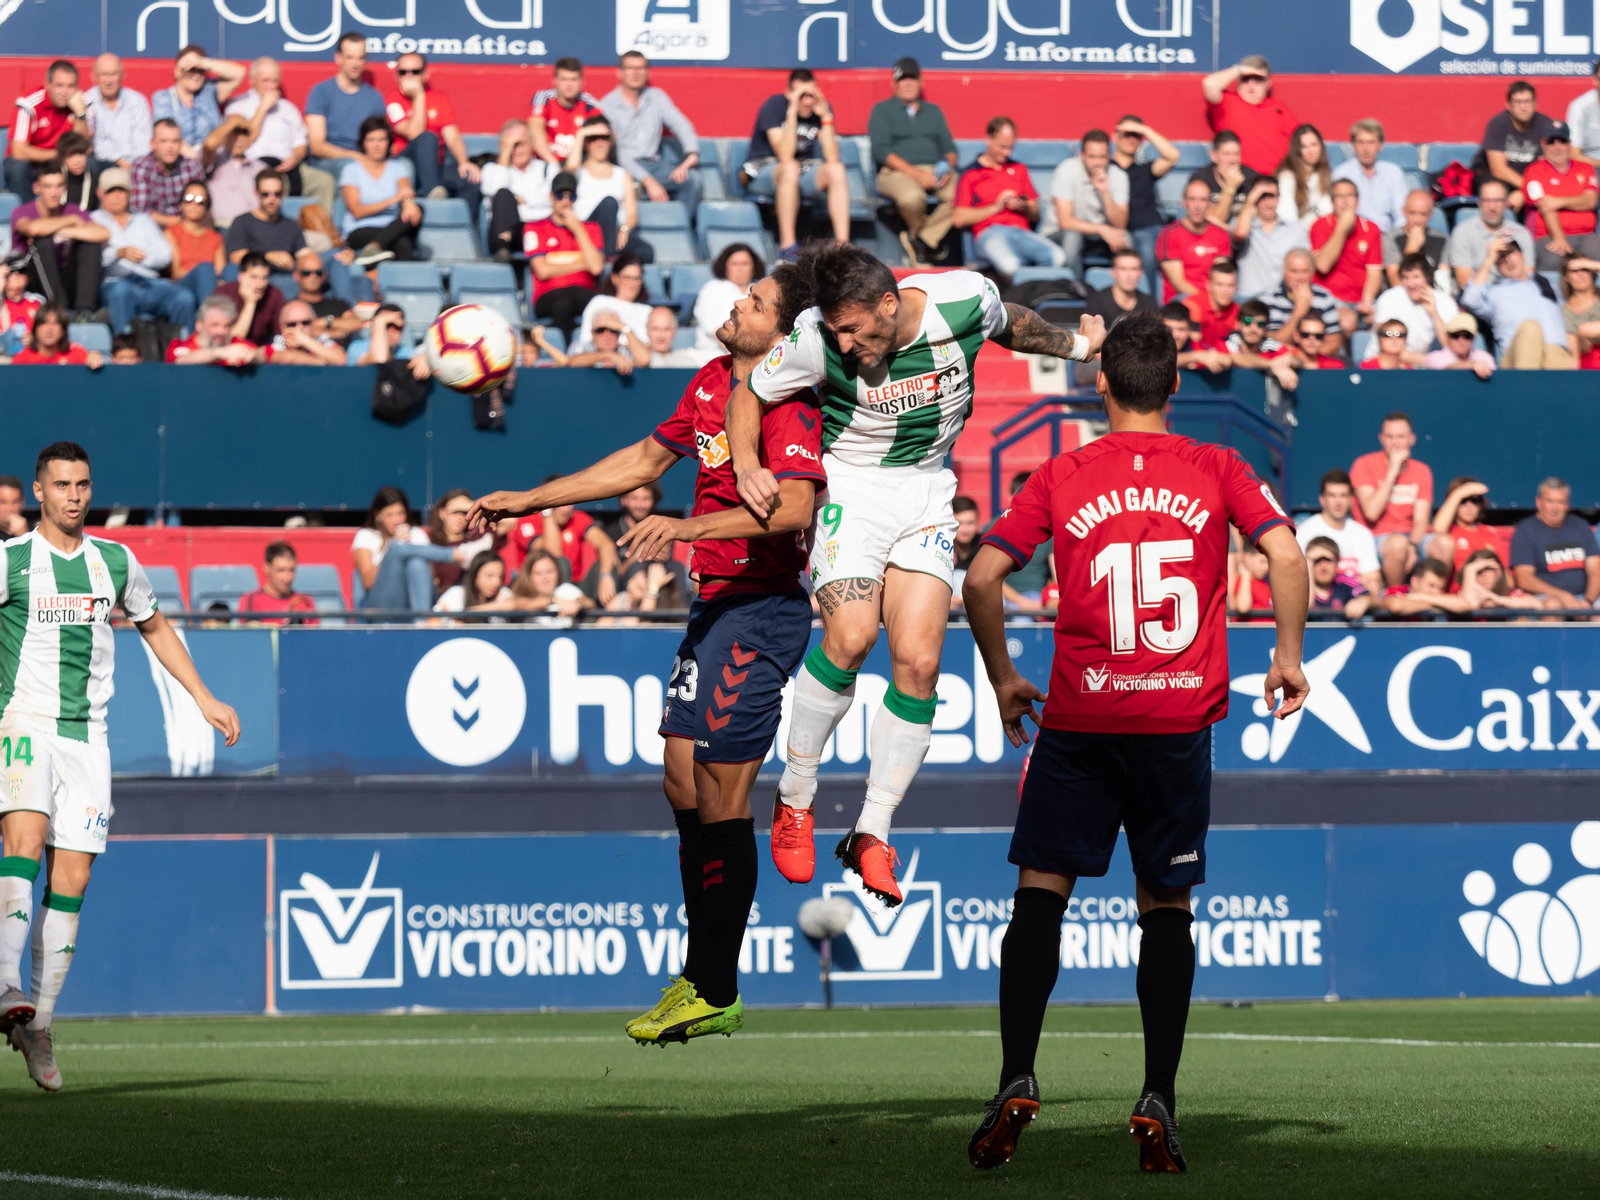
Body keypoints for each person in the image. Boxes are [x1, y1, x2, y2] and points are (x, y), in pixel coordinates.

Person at [961, 309, 1307, 1176]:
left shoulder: (1062, 471)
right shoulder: (1219, 465)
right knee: (1166, 908)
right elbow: (1288, 556)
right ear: (1177, 387)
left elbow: (983, 575)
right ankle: (1157, 1094)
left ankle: (1015, 1076)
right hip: (1176, 723)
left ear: (1102, 382)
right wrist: (1288, 657)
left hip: (1079, 720)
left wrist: (1005, 675)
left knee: (1040, 894)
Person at [467, 264, 821, 1047]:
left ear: (786, 330)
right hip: (714, 608)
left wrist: (690, 530)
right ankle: (699, 976)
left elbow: (796, 505)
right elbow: (640, 462)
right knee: (679, 778)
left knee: (725, 795)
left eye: (757, 302)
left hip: (762, 613)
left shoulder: (785, 402)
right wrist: (529, 498)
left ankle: (717, 986)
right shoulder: (708, 382)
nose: (738, 304)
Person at [727, 242, 1109, 903]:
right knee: (850, 639)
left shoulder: (961, 301)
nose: (843, 345)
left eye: (853, 329)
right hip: (851, 486)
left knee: (921, 663)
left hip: (928, 491)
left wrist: (1076, 347)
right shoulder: (817, 337)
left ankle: (872, 833)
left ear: (888, 303)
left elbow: (1011, 321)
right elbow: (748, 392)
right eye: (835, 331)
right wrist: (745, 465)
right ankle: (795, 800)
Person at [0, 441, 239, 1091]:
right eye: (61, 485)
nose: (74, 495)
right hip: (22, 724)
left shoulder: (115, 561)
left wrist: (204, 696)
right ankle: (4, 981)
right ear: (38, 495)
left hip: (89, 739)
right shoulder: (11, 561)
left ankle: (38, 1025)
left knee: (71, 880)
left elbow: (156, 627)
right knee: (22, 839)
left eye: (82, 484)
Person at [742, 69, 851, 257]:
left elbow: (832, 157)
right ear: (789, 93)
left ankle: (843, 246)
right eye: (802, 95)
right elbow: (784, 154)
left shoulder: (821, 108)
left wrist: (826, 118)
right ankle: (788, 246)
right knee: (790, 167)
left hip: (800, 170)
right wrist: (792, 112)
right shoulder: (774, 106)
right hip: (763, 170)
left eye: (811, 94)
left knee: (836, 170)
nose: (807, 101)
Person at [868, 58, 958, 268]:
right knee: (912, 198)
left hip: (934, 170)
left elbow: (950, 149)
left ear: (921, 81)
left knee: (962, 193)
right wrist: (916, 174)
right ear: (894, 83)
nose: (908, 83)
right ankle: (925, 243)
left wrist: (947, 166)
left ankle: (921, 240)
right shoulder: (882, 110)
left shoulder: (934, 111)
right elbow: (881, 151)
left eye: (912, 78)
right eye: (902, 79)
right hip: (895, 172)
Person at [954, 117, 1063, 283]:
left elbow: (1035, 213)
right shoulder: (971, 174)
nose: (1007, 153)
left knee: (1058, 257)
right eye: (1002, 147)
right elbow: (959, 218)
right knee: (1011, 265)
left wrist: (1023, 206)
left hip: (1022, 231)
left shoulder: (1019, 169)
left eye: (1011, 147)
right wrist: (996, 207)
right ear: (989, 140)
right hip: (990, 232)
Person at [90, 168, 195, 335]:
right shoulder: (93, 220)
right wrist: (119, 253)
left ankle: (183, 351)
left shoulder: (143, 220)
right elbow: (92, 260)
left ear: (130, 193)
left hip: (150, 283)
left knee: (184, 298)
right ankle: (125, 350)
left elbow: (165, 255)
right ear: (100, 193)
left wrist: (143, 257)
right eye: (111, 191)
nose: (116, 196)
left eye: (121, 190)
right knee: (121, 291)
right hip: (114, 281)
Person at [599, 52, 702, 221]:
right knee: (625, 189)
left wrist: (691, 154)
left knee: (692, 180)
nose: (636, 73)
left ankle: (679, 230)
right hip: (624, 169)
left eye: (640, 68)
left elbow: (681, 124)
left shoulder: (657, 97)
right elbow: (618, 153)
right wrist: (648, 181)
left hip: (656, 166)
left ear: (647, 72)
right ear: (619, 72)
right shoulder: (606, 106)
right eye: (630, 68)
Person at [224, 57, 335, 210]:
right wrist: (262, 109)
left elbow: (301, 144)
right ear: (252, 80)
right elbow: (244, 142)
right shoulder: (237, 106)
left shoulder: (288, 109)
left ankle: (322, 231)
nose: (271, 86)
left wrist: (294, 158)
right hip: (254, 167)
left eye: (275, 81)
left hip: (288, 168)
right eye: (266, 81)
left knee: (324, 182)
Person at [384, 52, 481, 217]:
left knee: (470, 180)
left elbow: (452, 135)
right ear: (396, 75)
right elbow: (414, 133)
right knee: (428, 137)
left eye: (415, 72)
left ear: (425, 74)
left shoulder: (439, 98)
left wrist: (464, 162)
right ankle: (432, 195)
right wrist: (419, 96)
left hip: (436, 166)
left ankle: (464, 232)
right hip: (406, 165)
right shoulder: (391, 99)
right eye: (403, 72)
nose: (409, 77)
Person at [353, 487, 475, 614]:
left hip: (413, 601)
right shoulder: (366, 535)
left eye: (401, 513)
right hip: (381, 604)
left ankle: (421, 621)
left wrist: (407, 548)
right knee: (396, 548)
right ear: (378, 514)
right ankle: (456, 554)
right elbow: (368, 582)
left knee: (416, 562)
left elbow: (430, 576)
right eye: (390, 515)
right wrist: (392, 551)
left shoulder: (416, 534)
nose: (397, 520)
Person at [1461, 234, 1573, 369]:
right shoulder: (1494, 292)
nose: (1507, 260)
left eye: (1511, 253)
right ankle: (1525, 389)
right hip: (1517, 356)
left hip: (1555, 353)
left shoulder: (1546, 284)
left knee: (1556, 354)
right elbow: (1469, 300)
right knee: (1531, 327)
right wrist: (1489, 259)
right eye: (1501, 257)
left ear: (1522, 256)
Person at [9, 162, 107, 314]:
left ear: (65, 187)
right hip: (33, 280)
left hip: (66, 277)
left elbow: (103, 233)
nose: (54, 192)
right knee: (43, 243)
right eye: (48, 186)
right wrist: (71, 220)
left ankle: (84, 311)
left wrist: (65, 231)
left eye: (59, 186)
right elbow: (33, 229)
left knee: (91, 246)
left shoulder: (72, 210)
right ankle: (60, 310)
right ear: (37, 188)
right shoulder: (22, 211)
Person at [1351, 412, 1434, 588]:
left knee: (1443, 544)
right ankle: (1395, 596)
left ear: (1412, 439)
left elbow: (1421, 521)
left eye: (1401, 437)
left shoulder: (1422, 470)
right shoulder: (1363, 464)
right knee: (1397, 544)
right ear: (1381, 439)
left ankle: (1435, 606)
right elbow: (1372, 512)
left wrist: (1412, 546)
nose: (1395, 442)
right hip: (1375, 538)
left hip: (1410, 537)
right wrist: (1393, 471)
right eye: (1389, 437)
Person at [1041, 128, 1129, 282]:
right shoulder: (1067, 170)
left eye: (1102, 157)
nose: (1097, 163)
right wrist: (1102, 229)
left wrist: (1105, 192)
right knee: (1073, 237)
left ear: (1109, 156)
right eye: (1092, 157)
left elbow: (1120, 224)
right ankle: (1074, 291)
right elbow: (1065, 222)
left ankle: (1124, 298)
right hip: (1059, 234)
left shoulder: (1118, 175)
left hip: (1098, 237)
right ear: (1082, 155)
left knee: (1127, 239)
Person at [1106, 117, 1181, 297]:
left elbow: (1173, 156)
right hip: (1121, 230)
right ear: (1115, 136)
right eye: (1127, 134)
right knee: (1147, 247)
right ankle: (1152, 304)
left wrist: (1145, 130)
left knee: (1163, 241)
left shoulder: (1145, 169)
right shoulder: (1106, 169)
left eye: (1137, 136)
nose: (1132, 139)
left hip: (1150, 227)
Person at [524, 171, 602, 340]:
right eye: (560, 196)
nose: (565, 202)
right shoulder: (535, 228)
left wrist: (578, 230)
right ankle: (567, 359)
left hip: (582, 292)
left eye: (570, 196)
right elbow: (543, 271)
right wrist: (583, 263)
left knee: (603, 304)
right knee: (563, 304)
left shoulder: (591, 229)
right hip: (550, 294)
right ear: (551, 197)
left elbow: (595, 267)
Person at [340, 117, 424, 268]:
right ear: (363, 143)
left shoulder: (398, 168)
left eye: (382, 139)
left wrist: (408, 204)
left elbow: (405, 193)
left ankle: (374, 248)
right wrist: (392, 200)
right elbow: (357, 212)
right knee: (402, 241)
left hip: (392, 226)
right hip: (360, 229)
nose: (377, 145)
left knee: (418, 211)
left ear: (389, 142)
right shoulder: (351, 170)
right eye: (371, 140)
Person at [567, 114, 651, 260]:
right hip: (586, 232)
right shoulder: (578, 172)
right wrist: (581, 134)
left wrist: (624, 229)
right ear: (586, 142)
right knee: (609, 203)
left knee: (645, 251)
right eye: (593, 138)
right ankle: (606, 260)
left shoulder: (622, 174)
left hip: (615, 232)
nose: (599, 143)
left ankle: (610, 257)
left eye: (604, 138)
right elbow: (568, 173)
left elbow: (632, 215)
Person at [1509, 477, 1600, 610]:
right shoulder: (1525, 531)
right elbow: (1524, 578)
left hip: (1583, 597)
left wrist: (1588, 601)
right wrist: (1562, 596)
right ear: (1538, 502)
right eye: (1549, 501)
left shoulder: (1580, 525)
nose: (1555, 508)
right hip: (1546, 597)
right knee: (1553, 606)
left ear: (1567, 505)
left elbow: (1596, 568)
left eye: (1560, 502)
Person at [1202, 53, 1299, 176]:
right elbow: (1209, 84)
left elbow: (1299, 142)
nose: (1251, 85)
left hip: (1275, 180)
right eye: (1246, 79)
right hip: (1239, 179)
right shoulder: (1227, 102)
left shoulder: (1279, 108)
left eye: (1258, 79)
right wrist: (1240, 69)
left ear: (1268, 83)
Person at [1522, 122, 1600, 271]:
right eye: (1551, 142)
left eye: (1562, 141)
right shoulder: (1534, 171)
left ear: (1569, 144)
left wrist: (1558, 201)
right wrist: (1559, 239)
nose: (1557, 147)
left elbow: (1590, 201)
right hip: (1548, 237)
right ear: (1543, 143)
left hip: (1587, 236)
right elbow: (1547, 208)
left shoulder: (1585, 168)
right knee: (1553, 260)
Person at [5, 60, 88, 198]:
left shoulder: (81, 103)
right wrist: (60, 155)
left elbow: (84, 146)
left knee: (88, 164)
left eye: (70, 86)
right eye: (59, 86)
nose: (64, 92)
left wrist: (80, 114)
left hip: (61, 161)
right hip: (31, 162)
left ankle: (78, 214)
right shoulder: (29, 104)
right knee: (18, 168)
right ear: (48, 85)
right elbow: (18, 151)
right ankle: (25, 216)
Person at [1295, 468, 1382, 595]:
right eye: (1332, 495)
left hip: (1356, 603)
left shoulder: (1362, 534)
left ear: (1351, 499)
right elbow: (1298, 576)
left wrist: (1374, 585)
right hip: (1318, 603)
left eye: (1343, 495)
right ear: (1322, 499)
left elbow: (1374, 576)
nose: (1338, 501)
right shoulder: (1306, 531)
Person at [305, 33, 386, 167]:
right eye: (350, 57)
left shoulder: (375, 98)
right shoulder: (320, 92)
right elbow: (317, 146)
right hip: (327, 162)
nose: (355, 64)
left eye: (360, 58)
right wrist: (356, 157)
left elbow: (379, 140)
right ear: (338, 58)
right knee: (350, 167)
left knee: (404, 166)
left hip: (365, 161)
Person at [1310, 178, 1383, 328]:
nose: (1345, 201)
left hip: (1361, 299)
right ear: (1332, 201)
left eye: (1349, 195)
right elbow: (1323, 265)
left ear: (1358, 200)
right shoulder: (1320, 225)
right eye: (1339, 196)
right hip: (1330, 298)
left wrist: (1367, 300)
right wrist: (1342, 228)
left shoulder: (1371, 228)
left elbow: (1374, 272)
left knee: (1385, 321)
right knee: (1347, 322)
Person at [1472, 80, 1558, 207]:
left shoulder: (1545, 125)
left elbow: (1546, 167)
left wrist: (1524, 193)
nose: (1523, 107)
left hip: (1530, 181)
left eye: (1528, 101)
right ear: (1508, 105)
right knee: (1496, 193)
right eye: (1518, 102)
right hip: (1497, 180)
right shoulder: (1497, 124)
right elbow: (1498, 169)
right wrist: (1528, 189)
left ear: (1535, 104)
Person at [152, 45, 244, 157]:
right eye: (190, 70)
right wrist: (196, 162)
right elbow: (166, 134)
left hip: (213, 160)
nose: (196, 75)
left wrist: (202, 62)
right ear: (177, 71)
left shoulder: (209, 91)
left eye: (200, 71)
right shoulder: (163, 98)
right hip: (180, 162)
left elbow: (239, 73)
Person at [1446, 178, 1536, 291]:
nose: (1492, 207)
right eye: (1487, 201)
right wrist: (1490, 260)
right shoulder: (1462, 232)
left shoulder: (1521, 234)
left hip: (1516, 297)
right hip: (1479, 300)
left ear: (1506, 203)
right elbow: (1465, 284)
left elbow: (1528, 278)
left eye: (1498, 200)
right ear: (1479, 203)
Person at [483, 119, 554, 261]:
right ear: (502, 146)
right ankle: (503, 250)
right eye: (512, 145)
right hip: (510, 235)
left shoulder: (547, 168)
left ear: (531, 143)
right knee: (504, 194)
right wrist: (505, 153)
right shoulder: (491, 169)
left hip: (542, 229)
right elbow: (496, 192)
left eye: (521, 144)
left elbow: (553, 199)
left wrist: (524, 199)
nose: (517, 150)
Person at [1231, 175, 1308, 300]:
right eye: (1262, 197)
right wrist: (1249, 202)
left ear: (1278, 198)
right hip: (1250, 300)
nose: (1268, 203)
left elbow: (1306, 266)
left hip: (1285, 299)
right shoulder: (1242, 224)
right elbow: (1240, 234)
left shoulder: (1295, 230)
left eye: (1272, 196)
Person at [1156, 178, 1231, 302]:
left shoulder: (1220, 234)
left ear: (1210, 204)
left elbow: (1221, 276)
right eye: (1192, 199)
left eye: (1203, 200)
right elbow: (1178, 282)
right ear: (1183, 202)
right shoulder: (1170, 234)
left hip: (1214, 299)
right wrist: (1205, 301)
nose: (1197, 206)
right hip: (1184, 300)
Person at [1373, 252, 1459, 355]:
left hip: (1432, 366)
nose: (1410, 284)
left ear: (1427, 277)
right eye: (1405, 278)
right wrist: (1430, 361)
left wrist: (1434, 313)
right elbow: (1387, 348)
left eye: (1416, 277)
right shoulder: (1389, 298)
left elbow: (1451, 347)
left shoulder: (1446, 302)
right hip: (1392, 365)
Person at [225, 168, 305, 276]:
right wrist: (268, 256)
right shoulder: (242, 222)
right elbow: (236, 258)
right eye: (265, 194)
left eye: (277, 194)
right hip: (255, 279)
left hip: (287, 278)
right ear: (256, 193)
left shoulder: (291, 225)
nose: (272, 200)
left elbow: (304, 254)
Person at [1331, 119, 1407, 232]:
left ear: (1380, 145)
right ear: (1353, 145)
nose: (1366, 149)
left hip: (1385, 237)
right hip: (1353, 235)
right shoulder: (1341, 173)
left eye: (1371, 142)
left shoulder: (1393, 172)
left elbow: (1402, 215)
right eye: (1360, 142)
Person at [129, 120, 206, 228]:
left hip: (187, 228)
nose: (170, 148)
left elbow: (202, 205)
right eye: (164, 141)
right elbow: (141, 211)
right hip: (152, 229)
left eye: (175, 141)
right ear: (153, 144)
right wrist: (176, 222)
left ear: (181, 144)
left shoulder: (192, 167)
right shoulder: (142, 167)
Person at [1261, 248, 1341, 350]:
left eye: (1305, 271)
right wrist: (1300, 310)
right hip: (1280, 362)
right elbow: (1272, 344)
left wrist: (1307, 359)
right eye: (1294, 271)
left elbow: (1334, 342)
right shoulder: (1269, 299)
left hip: (1315, 363)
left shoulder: (1324, 297)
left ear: (1312, 273)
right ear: (1284, 271)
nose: (1299, 277)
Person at [572, 251, 652, 353]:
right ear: (614, 278)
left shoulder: (647, 311)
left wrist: (621, 327)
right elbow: (587, 340)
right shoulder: (600, 302)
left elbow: (651, 348)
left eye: (637, 278)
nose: (632, 283)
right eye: (627, 278)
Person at [164, 179, 225, 309]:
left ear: (207, 207)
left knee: (231, 271)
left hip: (209, 283)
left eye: (200, 201)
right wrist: (206, 276)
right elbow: (176, 272)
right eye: (189, 199)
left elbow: (221, 271)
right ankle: (210, 318)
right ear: (181, 204)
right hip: (182, 286)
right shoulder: (171, 233)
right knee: (205, 269)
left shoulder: (215, 237)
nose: (194, 205)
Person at [85, 54, 151, 173]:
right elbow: (97, 146)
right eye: (104, 75)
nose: (108, 81)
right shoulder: (87, 102)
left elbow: (144, 143)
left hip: (138, 167)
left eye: (113, 74)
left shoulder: (137, 101)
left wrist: (136, 169)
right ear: (94, 77)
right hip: (104, 167)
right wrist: (123, 164)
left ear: (122, 76)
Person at [531, 57, 603, 165]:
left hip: (577, 163)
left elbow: (602, 133)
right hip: (546, 162)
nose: (569, 85)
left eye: (573, 79)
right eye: (564, 79)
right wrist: (555, 166)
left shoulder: (590, 104)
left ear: (582, 82)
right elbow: (535, 135)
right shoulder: (543, 99)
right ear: (554, 81)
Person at [694, 243, 762, 357]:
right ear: (725, 267)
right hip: (714, 357)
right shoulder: (712, 288)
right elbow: (717, 331)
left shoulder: (760, 289)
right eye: (734, 264)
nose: (740, 268)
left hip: (754, 357)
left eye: (745, 264)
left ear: (754, 267)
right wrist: (743, 357)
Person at [1430, 476, 1502, 580]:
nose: (1469, 506)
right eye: (1463, 500)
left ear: (1481, 504)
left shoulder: (1491, 534)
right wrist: (1458, 494)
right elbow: (1437, 530)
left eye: (1474, 500)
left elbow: (1506, 577)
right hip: (1451, 593)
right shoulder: (1447, 531)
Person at [289, 247, 361, 344]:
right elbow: (295, 333)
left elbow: (357, 324)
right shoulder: (290, 307)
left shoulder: (339, 304)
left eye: (318, 273)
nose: (313, 277)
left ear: (324, 275)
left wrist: (325, 321)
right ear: (296, 276)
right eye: (306, 273)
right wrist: (334, 332)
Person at [1224, 298, 1300, 390]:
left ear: (1266, 328)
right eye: (1247, 322)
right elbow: (1238, 358)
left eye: (1260, 324)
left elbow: (1299, 361)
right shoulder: (1228, 342)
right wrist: (1273, 366)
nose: (1253, 329)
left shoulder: (1269, 344)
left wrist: (1290, 359)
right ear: (1238, 324)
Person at [237, 541, 320, 624]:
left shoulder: (305, 601)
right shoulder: (251, 600)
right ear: (267, 569)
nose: (287, 578)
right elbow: (247, 634)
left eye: (291, 570)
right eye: (281, 570)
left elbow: (313, 634)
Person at [206, 122, 271, 228]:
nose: (238, 139)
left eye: (243, 134)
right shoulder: (214, 161)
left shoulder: (260, 168)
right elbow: (210, 144)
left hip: (254, 227)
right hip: (222, 225)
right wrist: (232, 122)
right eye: (233, 134)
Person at [165, 294, 261, 366]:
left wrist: (253, 357)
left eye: (226, 326)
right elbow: (179, 362)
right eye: (215, 325)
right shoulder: (180, 345)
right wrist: (219, 353)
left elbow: (264, 355)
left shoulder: (235, 344)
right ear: (199, 325)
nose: (220, 331)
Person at [216, 251, 285, 346]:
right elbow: (230, 342)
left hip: (261, 351)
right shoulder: (224, 294)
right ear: (241, 276)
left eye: (264, 278)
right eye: (254, 277)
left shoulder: (274, 294)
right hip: (227, 352)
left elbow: (282, 335)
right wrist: (250, 303)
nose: (260, 284)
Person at [1382, 190, 1447, 289]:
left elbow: (1443, 281)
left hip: (1432, 296)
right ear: (1403, 211)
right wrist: (1411, 250)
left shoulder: (1442, 239)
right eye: (1412, 213)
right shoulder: (1391, 239)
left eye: (1423, 214)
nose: (1417, 220)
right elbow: (1396, 283)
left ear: (1431, 214)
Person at [1274, 124, 1333, 231]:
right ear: (1297, 151)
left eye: (1314, 144)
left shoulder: (1323, 174)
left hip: (1314, 228)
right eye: (1304, 147)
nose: (1311, 151)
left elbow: (1327, 209)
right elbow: (1287, 216)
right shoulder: (1287, 177)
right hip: (1289, 232)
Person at [1194, 131, 1260, 225]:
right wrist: (1230, 188)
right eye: (1226, 154)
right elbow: (1211, 224)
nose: (1232, 160)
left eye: (1236, 154)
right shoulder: (1201, 180)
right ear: (1214, 156)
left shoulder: (1253, 179)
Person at [9, 303, 103, 368]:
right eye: (44, 323)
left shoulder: (76, 354)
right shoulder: (22, 360)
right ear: (35, 329)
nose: (49, 329)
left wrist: (93, 356)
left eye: (55, 323)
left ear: (63, 330)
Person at [349, 304, 429, 378]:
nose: (391, 331)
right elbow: (379, 360)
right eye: (387, 325)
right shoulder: (357, 348)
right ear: (373, 327)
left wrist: (424, 361)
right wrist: (380, 321)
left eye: (397, 326)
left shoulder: (408, 352)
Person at [1083, 247, 1157, 326]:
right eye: (1123, 269)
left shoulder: (1150, 303)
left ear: (1140, 273)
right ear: (1113, 272)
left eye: (1134, 269)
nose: (1129, 275)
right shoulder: (1097, 302)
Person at [1304, 535, 1372, 616]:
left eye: (1328, 560)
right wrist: (1308, 562)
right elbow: (1307, 606)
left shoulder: (1344, 582)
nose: (1323, 567)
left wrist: (1365, 600)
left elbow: (1377, 600)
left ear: (1337, 563)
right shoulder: (1298, 586)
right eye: (1317, 560)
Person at [266, 299, 346, 365]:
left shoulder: (322, 342)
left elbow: (341, 360)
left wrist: (304, 341)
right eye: (292, 324)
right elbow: (286, 358)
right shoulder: (278, 345)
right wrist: (320, 362)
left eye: (305, 323)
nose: (299, 328)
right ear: (282, 327)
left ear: (314, 323)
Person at [1182, 258, 1240, 349]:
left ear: (1236, 287)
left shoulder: (1238, 311)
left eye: (1230, 285)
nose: (1225, 291)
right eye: (1220, 285)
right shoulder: (1192, 305)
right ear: (1209, 286)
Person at [568, 308, 647, 374]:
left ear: (619, 333)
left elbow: (644, 360)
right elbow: (572, 362)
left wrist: (624, 328)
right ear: (593, 334)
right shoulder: (581, 346)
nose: (607, 335)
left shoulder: (626, 350)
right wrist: (608, 355)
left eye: (613, 330)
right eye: (601, 330)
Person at [434, 550, 512, 614]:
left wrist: (468, 613)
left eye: (500, 577)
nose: (496, 582)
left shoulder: (501, 592)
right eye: (489, 575)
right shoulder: (457, 594)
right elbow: (432, 622)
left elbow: (512, 605)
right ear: (475, 574)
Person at [1423, 311, 1496, 377]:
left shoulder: (1484, 357)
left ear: (1473, 338)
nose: (1461, 341)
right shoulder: (1435, 357)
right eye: (1455, 335)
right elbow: (1444, 369)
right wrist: (1470, 365)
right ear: (1447, 336)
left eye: (1467, 336)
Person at [1162, 301, 1227, 373]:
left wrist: (1223, 361)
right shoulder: (1153, 343)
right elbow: (1161, 361)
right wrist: (1196, 357)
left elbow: (1222, 357)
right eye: (1169, 329)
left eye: (1181, 329)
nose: (1175, 335)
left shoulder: (1196, 346)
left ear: (1189, 330)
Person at [1561, 256, 1600, 369]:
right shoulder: (1563, 311)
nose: (1581, 275)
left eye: (1585, 269)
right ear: (1566, 277)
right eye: (1574, 271)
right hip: (1585, 365)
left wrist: (1593, 264)